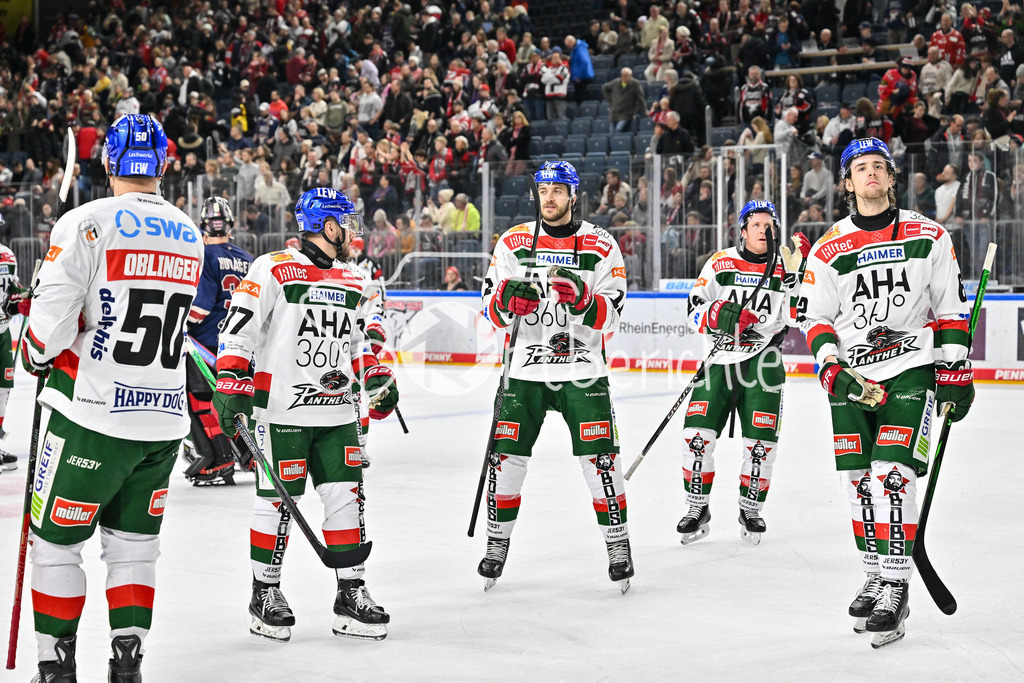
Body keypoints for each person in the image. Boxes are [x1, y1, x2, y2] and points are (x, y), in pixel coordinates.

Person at [21, 114, 204, 681]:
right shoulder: (190, 232)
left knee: (55, 546)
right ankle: (127, 667)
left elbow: (45, 338)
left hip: (92, 415)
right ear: (165, 164)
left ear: (107, 163)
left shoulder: (86, 222)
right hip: (163, 422)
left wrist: (33, 348)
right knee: (134, 548)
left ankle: (56, 667)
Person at [799, 137, 973, 648]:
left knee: (891, 476)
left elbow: (949, 310)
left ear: (892, 178)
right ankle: (875, 570)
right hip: (854, 379)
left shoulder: (929, 235)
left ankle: (897, 584)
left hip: (910, 372)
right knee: (858, 480)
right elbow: (817, 317)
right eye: (860, 168)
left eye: (880, 166)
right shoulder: (828, 246)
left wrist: (956, 368)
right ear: (847, 183)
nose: (871, 173)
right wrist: (831, 368)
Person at [212, 186, 399, 643]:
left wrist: (375, 377)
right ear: (329, 226)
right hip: (281, 412)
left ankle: (350, 591)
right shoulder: (272, 268)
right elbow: (240, 328)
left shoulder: (353, 279)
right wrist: (231, 379)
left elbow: (356, 345)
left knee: (346, 501)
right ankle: (265, 592)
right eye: (347, 223)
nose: (352, 232)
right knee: (276, 502)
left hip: (336, 413)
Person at [479, 161, 631, 592]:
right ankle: (496, 544)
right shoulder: (512, 241)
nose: (549, 197)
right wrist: (508, 300)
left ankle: (618, 545)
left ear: (573, 195)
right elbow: (489, 306)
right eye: (544, 189)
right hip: (523, 370)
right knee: (505, 459)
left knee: (601, 460)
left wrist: (583, 299)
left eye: (558, 190)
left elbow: (614, 313)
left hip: (584, 370)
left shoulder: (601, 244)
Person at [679, 201, 809, 545]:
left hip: (763, 362)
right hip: (720, 359)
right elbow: (694, 306)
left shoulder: (785, 266)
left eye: (770, 225)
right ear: (743, 230)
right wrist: (718, 314)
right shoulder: (721, 262)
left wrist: (801, 277)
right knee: (696, 437)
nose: (764, 231)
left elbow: (799, 317)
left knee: (761, 445)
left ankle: (751, 509)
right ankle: (697, 507)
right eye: (757, 225)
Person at [183, 197, 255, 486]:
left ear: (203, 225)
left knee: (202, 402)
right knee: (233, 398)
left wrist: (179, 323)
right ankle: (248, 450)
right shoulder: (247, 259)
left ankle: (216, 460)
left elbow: (199, 309)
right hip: (241, 344)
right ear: (231, 224)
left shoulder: (205, 255)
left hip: (207, 343)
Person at [0, 215, 24, 472]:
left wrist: (22, 298)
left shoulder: (7, 255)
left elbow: (13, 289)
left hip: (3, 330)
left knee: (3, 388)